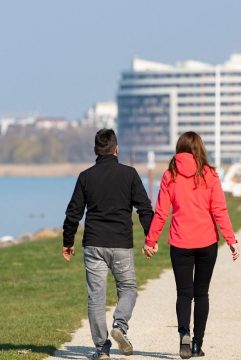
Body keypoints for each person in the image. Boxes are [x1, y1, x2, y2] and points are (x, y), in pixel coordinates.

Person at [143, 131, 239, 359]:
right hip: (207, 242)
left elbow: (162, 212)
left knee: (184, 293)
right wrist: (231, 240)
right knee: (202, 293)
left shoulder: (170, 175)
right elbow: (219, 210)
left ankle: (183, 334)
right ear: (200, 149)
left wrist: (151, 240)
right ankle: (197, 343)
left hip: (180, 242)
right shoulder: (210, 175)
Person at [62, 129, 153, 360]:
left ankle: (102, 349)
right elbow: (144, 207)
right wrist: (150, 238)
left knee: (96, 298)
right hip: (121, 242)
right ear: (116, 148)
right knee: (128, 288)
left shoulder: (86, 176)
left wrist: (68, 242)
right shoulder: (130, 174)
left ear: (95, 150)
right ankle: (120, 327)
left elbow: (74, 213)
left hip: (93, 244)